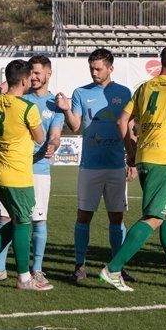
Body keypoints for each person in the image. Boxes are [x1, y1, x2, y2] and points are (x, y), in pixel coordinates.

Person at [100, 43, 166, 291]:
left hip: (145, 155)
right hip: (162, 160)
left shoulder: (144, 87)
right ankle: (112, 269)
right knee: (155, 217)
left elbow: (122, 120)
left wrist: (131, 150)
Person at [56, 48, 134, 283]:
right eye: (91, 68)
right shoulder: (81, 93)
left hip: (116, 165)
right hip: (90, 166)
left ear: (111, 68)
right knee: (84, 216)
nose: (94, 72)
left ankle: (116, 266)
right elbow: (76, 125)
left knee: (117, 218)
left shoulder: (124, 92)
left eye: (98, 68)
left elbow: (129, 127)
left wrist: (132, 158)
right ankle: (80, 265)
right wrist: (67, 109)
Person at [0, 59, 50, 290]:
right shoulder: (28, 108)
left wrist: (4, 85)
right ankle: (24, 278)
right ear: (26, 80)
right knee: (23, 223)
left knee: (16, 219)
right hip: (18, 175)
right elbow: (40, 138)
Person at [0, 55, 62, 288]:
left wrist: (53, 144)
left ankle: (37, 269)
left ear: (48, 74)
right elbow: (39, 136)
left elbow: (54, 136)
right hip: (16, 169)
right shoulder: (24, 101)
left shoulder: (55, 104)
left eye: (38, 72)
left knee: (37, 220)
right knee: (6, 218)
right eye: (30, 72)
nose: (34, 76)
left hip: (37, 169)